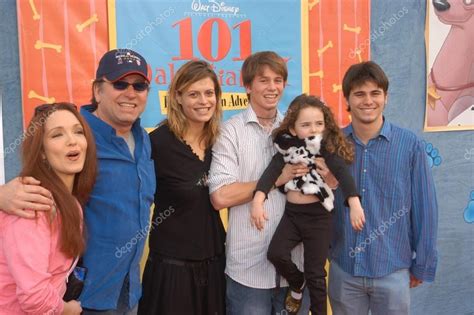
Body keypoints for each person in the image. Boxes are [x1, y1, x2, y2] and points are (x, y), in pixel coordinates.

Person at [0, 49, 156, 314]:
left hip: (128, 292)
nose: (131, 93)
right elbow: (34, 184)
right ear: (98, 91)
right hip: (83, 300)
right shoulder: (78, 134)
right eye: (119, 84)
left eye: (139, 86)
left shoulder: (145, 139)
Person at [328, 61, 438, 315]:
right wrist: (329, 251)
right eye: (359, 94)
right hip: (344, 270)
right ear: (347, 99)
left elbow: (425, 209)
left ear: (386, 98)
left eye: (375, 93)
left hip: (392, 271)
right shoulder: (331, 145)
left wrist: (421, 264)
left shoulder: (409, 145)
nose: (368, 101)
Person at [208, 51, 313, 314]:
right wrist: (279, 178)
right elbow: (220, 196)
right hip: (249, 273)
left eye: (278, 80)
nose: (272, 87)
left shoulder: (298, 127)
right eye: (263, 80)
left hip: (296, 268)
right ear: (247, 86)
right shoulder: (230, 131)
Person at [251, 94, 365, 315]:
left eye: (319, 124)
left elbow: (343, 173)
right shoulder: (287, 151)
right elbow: (270, 174)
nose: (313, 129)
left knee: (316, 273)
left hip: (318, 218)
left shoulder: (325, 149)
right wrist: (258, 200)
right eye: (306, 125)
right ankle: (296, 282)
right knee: (276, 253)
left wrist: (354, 203)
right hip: (292, 215)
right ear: (293, 129)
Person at [138, 60, 226, 315]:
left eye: (209, 93)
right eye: (193, 94)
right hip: (172, 272)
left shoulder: (220, 142)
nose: (203, 101)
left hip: (215, 268)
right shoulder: (157, 144)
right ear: (177, 97)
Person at [0, 103, 97, 314]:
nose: (72, 140)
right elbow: (33, 297)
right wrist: (69, 309)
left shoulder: (69, 204)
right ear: (42, 152)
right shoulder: (32, 205)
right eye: (57, 135)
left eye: (78, 131)